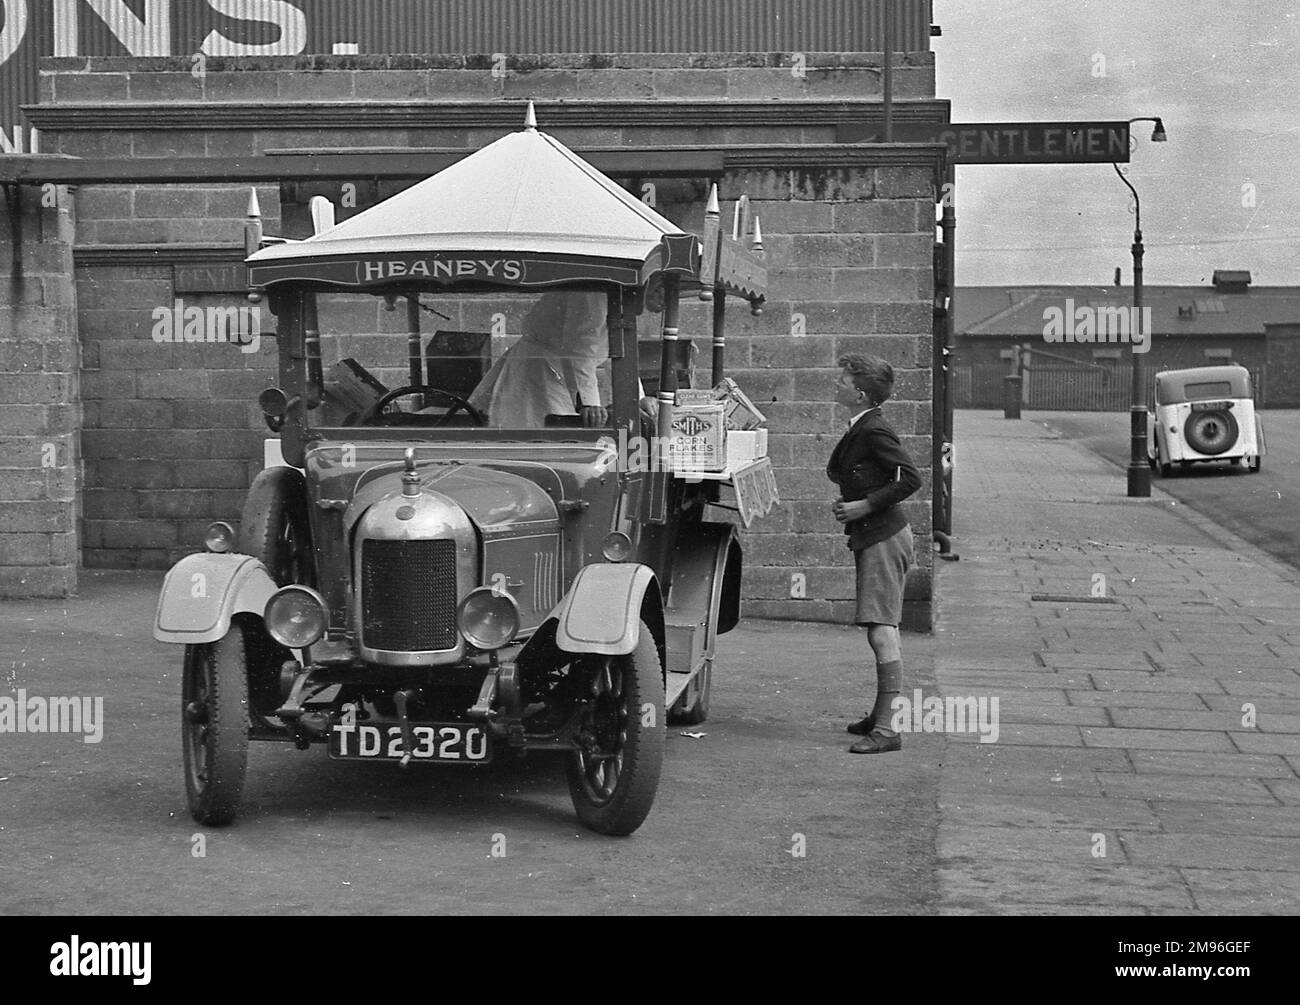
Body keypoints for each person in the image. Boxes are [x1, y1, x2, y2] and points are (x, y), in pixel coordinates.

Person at [827, 353, 922, 754]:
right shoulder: (862, 425)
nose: (837, 384)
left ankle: (887, 729)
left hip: (883, 536)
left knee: (881, 630)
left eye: (844, 381)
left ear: (861, 393)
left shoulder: (874, 429)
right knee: (884, 628)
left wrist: (865, 505)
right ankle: (883, 713)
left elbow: (912, 478)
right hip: (879, 537)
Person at [469, 290, 611, 428]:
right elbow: (580, 349)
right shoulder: (592, 293)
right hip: (539, 371)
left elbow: (619, 347)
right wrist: (589, 403)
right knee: (537, 436)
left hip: (556, 370)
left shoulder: (612, 294)